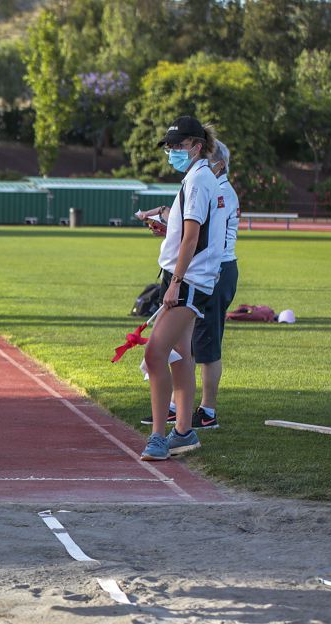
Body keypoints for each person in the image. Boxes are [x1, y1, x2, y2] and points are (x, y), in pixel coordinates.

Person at [139, 140, 239, 430]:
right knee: (185, 347)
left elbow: (199, 236)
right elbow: (191, 232)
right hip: (204, 269)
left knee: (204, 345)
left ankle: (205, 412)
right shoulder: (209, 184)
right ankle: (178, 414)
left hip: (211, 271)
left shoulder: (216, 188)